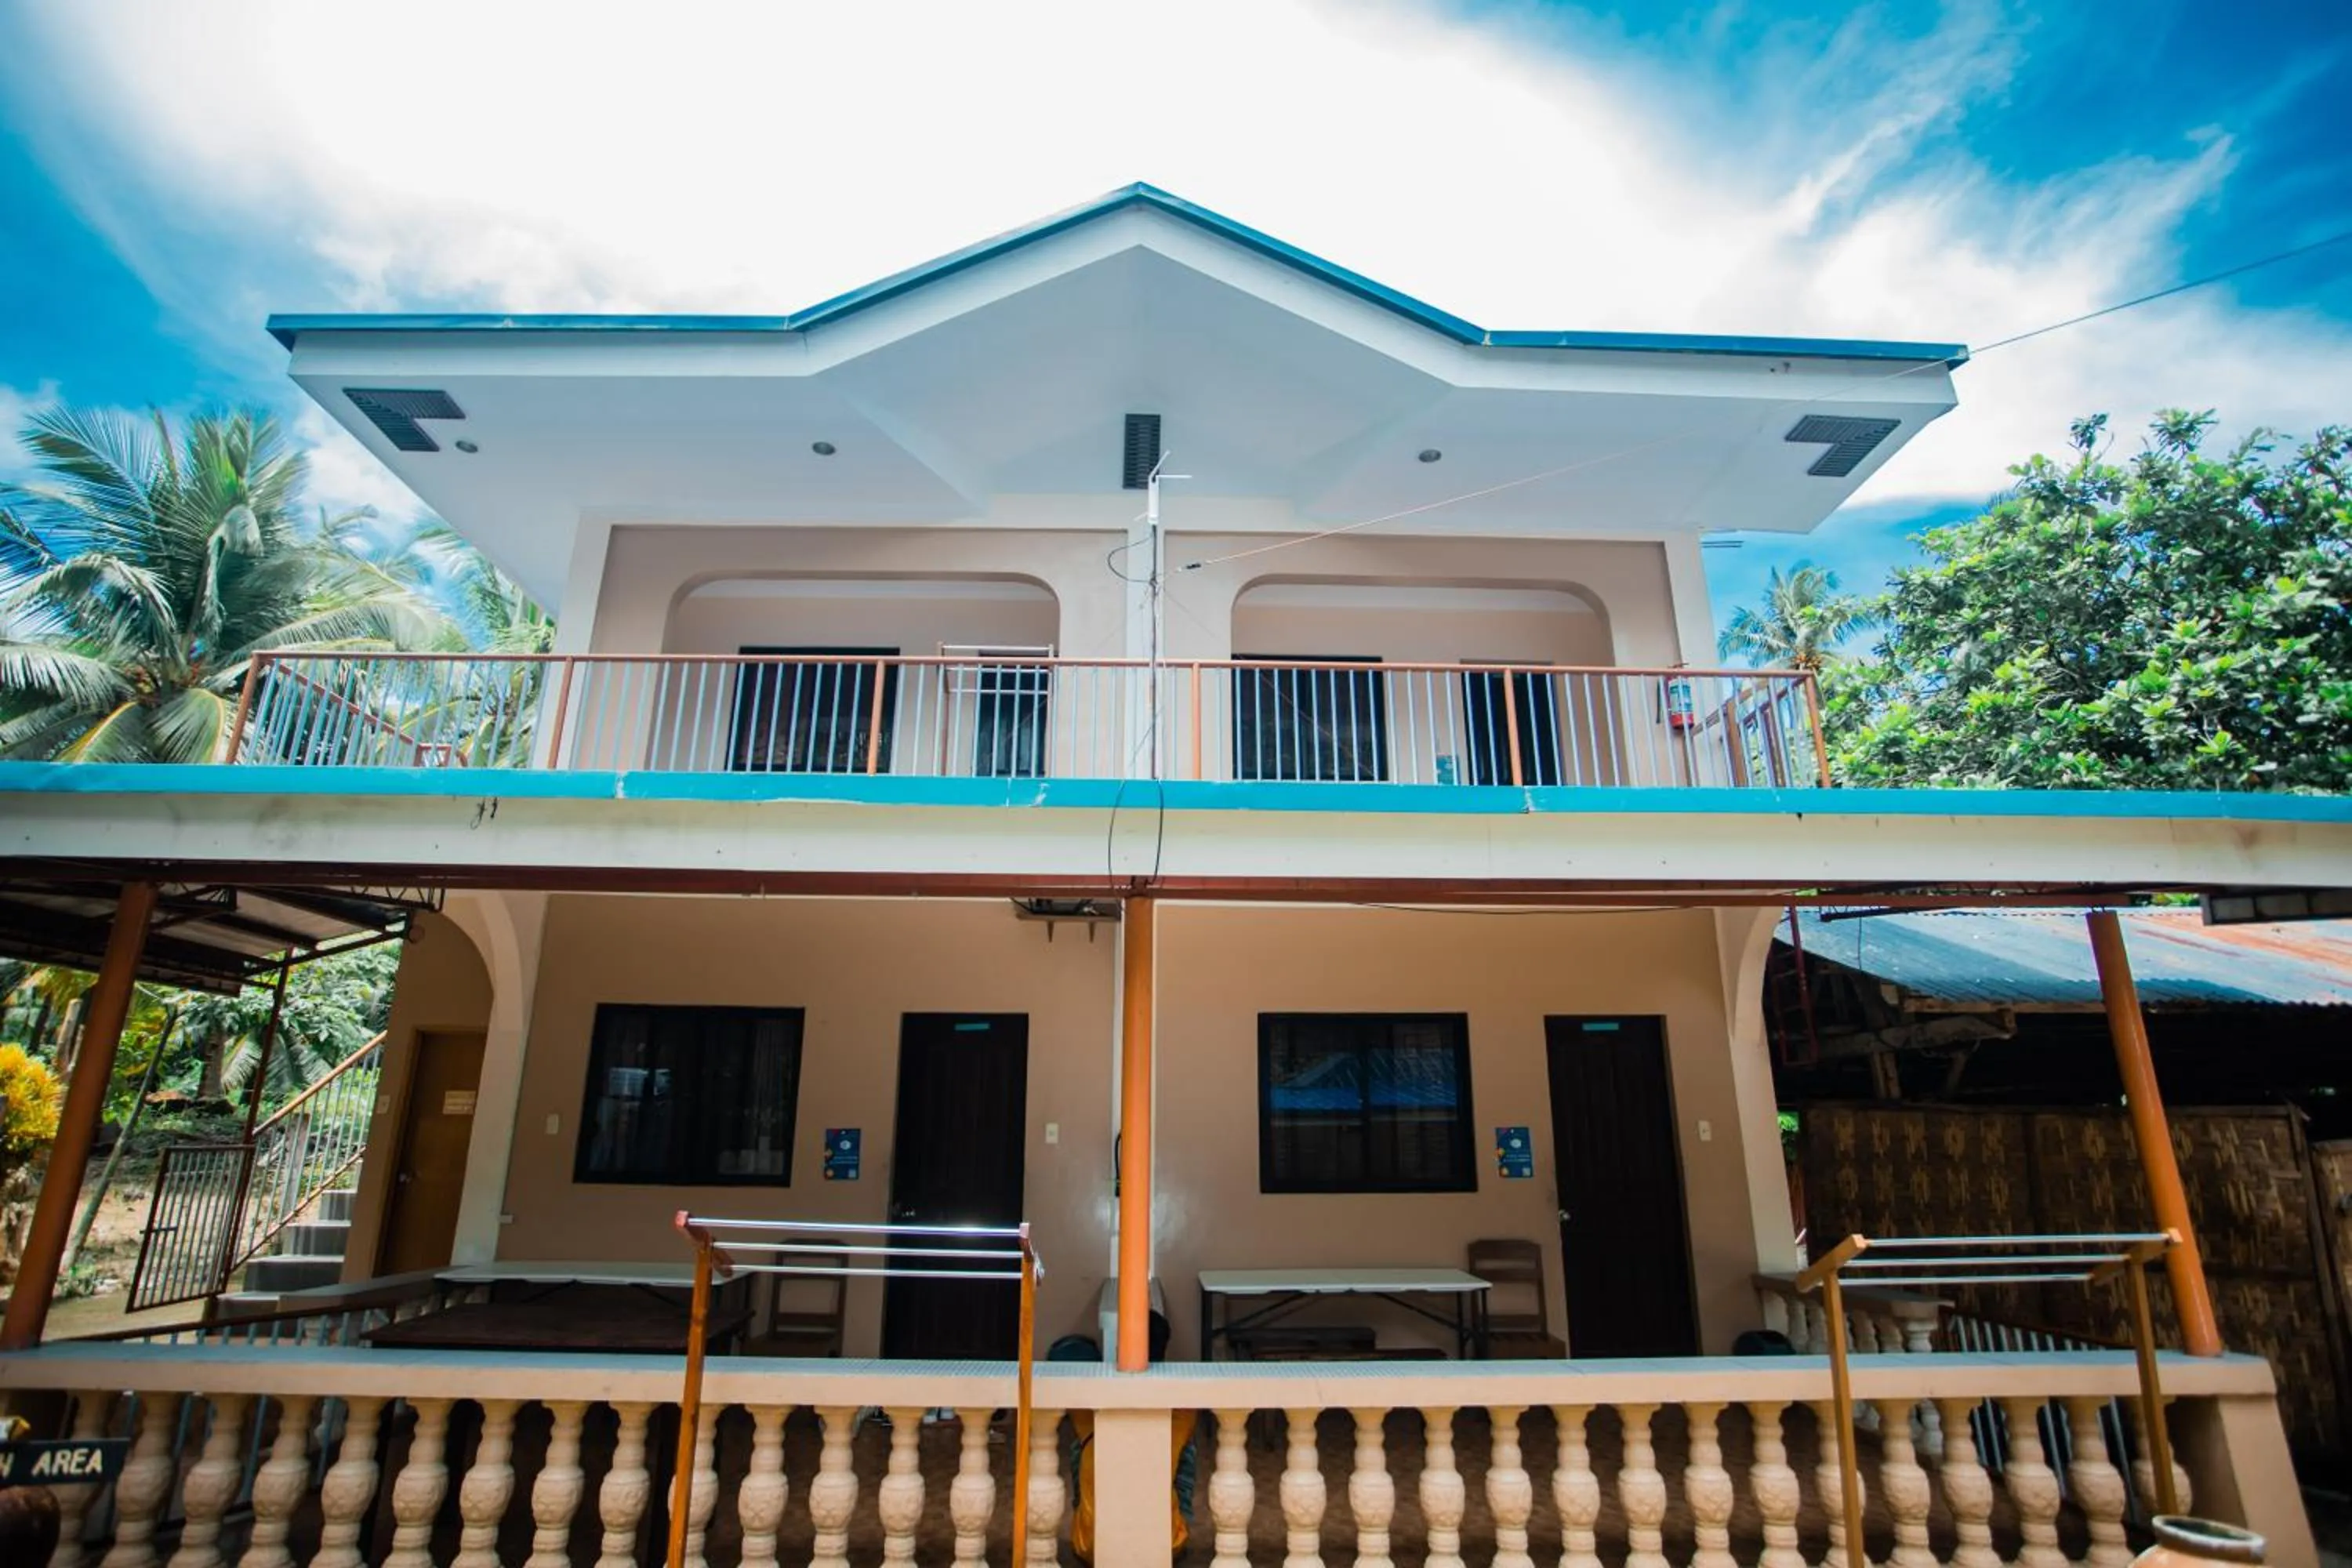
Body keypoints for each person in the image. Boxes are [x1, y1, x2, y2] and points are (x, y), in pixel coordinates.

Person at [1069, 1311, 1199, 1563]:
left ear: (1121, 1344)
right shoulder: (1181, 1408)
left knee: (1081, 1446)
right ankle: (1179, 1524)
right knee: (1184, 1449)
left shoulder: (1091, 1401)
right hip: (1166, 1546)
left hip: (1091, 1548)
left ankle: (1084, 1518)